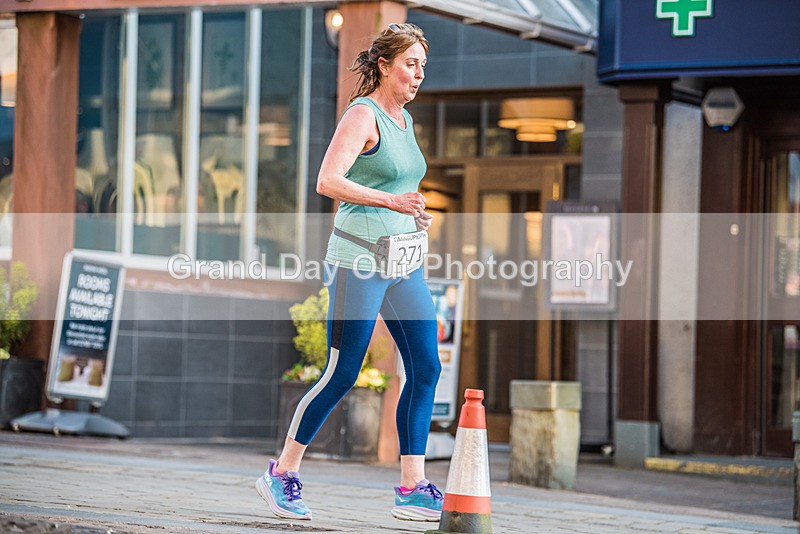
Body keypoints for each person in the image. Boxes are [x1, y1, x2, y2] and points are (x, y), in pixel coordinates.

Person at [255, 22, 443, 522]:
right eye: (410, 64)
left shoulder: (403, 119)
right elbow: (328, 180)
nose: (419, 74)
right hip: (358, 261)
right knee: (342, 372)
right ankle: (281, 473)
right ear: (385, 65)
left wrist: (412, 209)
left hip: (402, 263)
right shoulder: (364, 115)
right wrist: (389, 200)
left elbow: (399, 184)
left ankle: (412, 485)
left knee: (426, 367)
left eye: (423, 65)